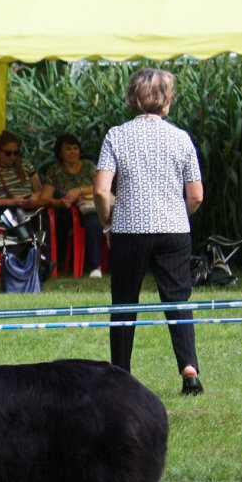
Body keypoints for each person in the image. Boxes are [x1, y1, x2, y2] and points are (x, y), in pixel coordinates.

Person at [93, 68, 204, 395]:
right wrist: (179, 216)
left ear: (133, 99)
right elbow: (196, 194)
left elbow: (101, 191)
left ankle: (121, 376)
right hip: (173, 230)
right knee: (178, 298)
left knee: (124, 302)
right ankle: (189, 370)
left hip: (129, 230)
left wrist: (107, 223)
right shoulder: (181, 138)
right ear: (166, 101)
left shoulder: (116, 135)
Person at [39, 133, 104, 278]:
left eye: (75, 148)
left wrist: (79, 190)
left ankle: (95, 267)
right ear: (60, 152)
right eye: (68, 149)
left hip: (89, 207)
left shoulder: (88, 166)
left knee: (94, 221)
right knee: (53, 223)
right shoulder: (54, 170)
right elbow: (45, 198)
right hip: (67, 212)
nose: (73, 152)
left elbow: (100, 186)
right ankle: (58, 264)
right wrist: (60, 202)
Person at [0, 130, 42, 212]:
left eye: (16, 153)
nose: (12, 156)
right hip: (6, 211)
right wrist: (10, 202)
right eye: (8, 153)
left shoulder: (25, 165)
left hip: (30, 207)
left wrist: (34, 197)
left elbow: (40, 191)